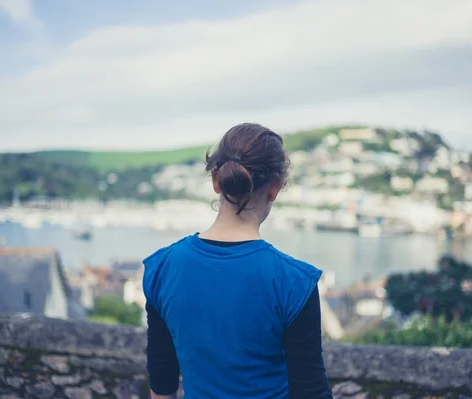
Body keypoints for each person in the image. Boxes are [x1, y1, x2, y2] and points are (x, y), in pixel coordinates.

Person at [142, 123, 333, 399]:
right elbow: (311, 393)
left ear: (215, 181)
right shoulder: (294, 283)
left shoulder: (161, 268)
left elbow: (161, 386)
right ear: (275, 189)